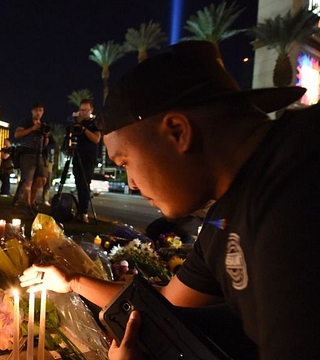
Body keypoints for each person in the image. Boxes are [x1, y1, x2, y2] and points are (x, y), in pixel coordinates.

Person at [20, 41, 317, 359]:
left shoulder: (296, 188)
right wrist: (72, 281)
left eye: (125, 162)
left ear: (177, 132)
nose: (131, 184)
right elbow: (165, 304)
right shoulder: (223, 219)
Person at [62, 99, 101, 223]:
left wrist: (84, 129)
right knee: (79, 185)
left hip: (88, 158)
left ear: (91, 110)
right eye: (81, 110)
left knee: (84, 184)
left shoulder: (95, 123)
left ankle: (83, 212)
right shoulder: (77, 123)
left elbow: (96, 139)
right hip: (77, 157)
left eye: (86, 110)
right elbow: (68, 136)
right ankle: (80, 212)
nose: (83, 113)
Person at [14, 103, 49, 216]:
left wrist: (46, 135)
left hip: (39, 155)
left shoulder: (43, 125)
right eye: (37, 110)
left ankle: (32, 203)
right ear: (32, 111)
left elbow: (45, 144)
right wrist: (32, 128)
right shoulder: (26, 122)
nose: (39, 112)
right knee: (28, 182)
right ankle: (27, 206)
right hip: (27, 155)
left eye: (41, 110)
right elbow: (17, 135)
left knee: (42, 180)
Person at [41, 134, 56, 206]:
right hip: (40, 160)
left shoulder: (51, 140)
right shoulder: (39, 136)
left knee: (48, 181)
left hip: (49, 162)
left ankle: (45, 199)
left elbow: (53, 146)